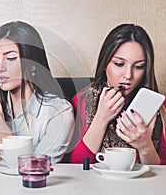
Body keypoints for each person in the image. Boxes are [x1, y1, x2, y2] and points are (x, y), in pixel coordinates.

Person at [0, 21, 75, 164]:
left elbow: (38, 169)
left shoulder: (60, 112)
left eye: (11, 58)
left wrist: (4, 136)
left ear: (33, 65)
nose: (0, 67)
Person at [70, 24, 166, 165]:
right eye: (119, 64)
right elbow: (76, 165)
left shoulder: (160, 109)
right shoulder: (83, 101)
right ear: (105, 64)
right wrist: (101, 119)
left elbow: (161, 176)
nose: (128, 75)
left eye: (138, 66)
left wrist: (145, 146)